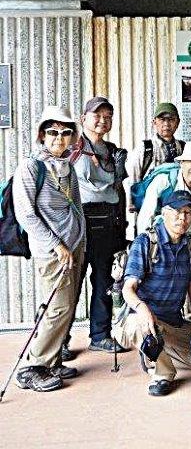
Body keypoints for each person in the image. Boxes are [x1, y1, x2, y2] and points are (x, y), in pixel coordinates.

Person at [113, 191, 191, 396]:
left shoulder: (189, 245)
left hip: (172, 323)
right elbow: (128, 288)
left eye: (188, 213)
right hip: (141, 319)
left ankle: (152, 352)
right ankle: (162, 374)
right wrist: (142, 309)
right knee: (140, 325)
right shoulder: (146, 242)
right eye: (177, 212)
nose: (183, 218)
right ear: (164, 213)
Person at [13, 106, 86, 392]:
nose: (59, 137)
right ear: (42, 134)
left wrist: (79, 243)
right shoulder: (31, 167)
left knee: (66, 307)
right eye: (53, 132)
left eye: (66, 132)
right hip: (53, 251)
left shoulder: (67, 166)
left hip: (74, 247)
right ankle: (33, 367)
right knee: (57, 308)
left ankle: (52, 361)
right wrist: (57, 245)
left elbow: (76, 207)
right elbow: (26, 214)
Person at [65, 96, 129, 355]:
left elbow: (119, 190)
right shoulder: (71, 148)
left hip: (109, 223)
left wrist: (122, 226)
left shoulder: (112, 151)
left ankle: (100, 335)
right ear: (84, 119)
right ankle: (58, 341)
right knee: (70, 285)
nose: (103, 120)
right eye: (97, 115)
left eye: (108, 116)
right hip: (80, 225)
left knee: (104, 282)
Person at [136, 140, 191, 324]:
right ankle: (155, 326)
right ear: (181, 162)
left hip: (187, 246)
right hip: (159, 246)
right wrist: (144, 250)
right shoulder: (164, 181)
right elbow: (145, 217)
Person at [125, 102, 185, 214]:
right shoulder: (145, 148)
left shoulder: (183, 147)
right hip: (150, 208)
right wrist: (132, 202)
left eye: (171, 119)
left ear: (178, 122)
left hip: (178, 208)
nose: (166, 124)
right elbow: (132, 176)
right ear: (154, 122)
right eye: (162, 119)